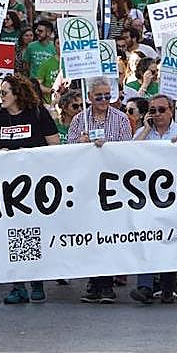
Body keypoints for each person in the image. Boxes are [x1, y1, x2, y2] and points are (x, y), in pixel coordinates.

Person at [0, 75, 58, 305]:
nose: (0, 97)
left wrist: (29, 155)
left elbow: (54, 146)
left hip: (35, 187)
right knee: (13, 234)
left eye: (4, 92)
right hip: (7, 188)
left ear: (18, 94)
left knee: (33, 232)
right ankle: (18, 284)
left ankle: (37, 281)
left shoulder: (38, 114)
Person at [68, 78, 134, 305]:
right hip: (88, 186)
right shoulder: (79, 120)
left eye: (108, 96)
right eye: (99, 97)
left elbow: (128, 151)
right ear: (90, 98)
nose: (105, 100)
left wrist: (108, 147)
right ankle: (94, 282)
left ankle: (106, 283)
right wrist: (81, 143)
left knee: (108, 234)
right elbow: (67, 153)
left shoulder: (121, 119)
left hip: (113, 186)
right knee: (92, 235)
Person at [128, 94, 177, 306]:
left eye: (161, 110)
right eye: (152, 110)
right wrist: (146, 129)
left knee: (170, 239)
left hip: (175, 195)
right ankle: (145, 286)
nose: (157, 114)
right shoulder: (142, 133)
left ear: (171, 110)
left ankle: (168, 287)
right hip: (147, 195)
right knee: (147, 237)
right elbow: (128, 154)